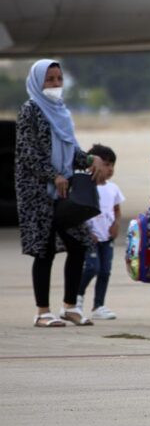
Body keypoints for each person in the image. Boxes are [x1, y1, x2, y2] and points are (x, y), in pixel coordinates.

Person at [16, 60, 99, 327]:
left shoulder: (61, 111)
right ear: (37, 83)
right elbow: (29, 153)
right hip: (38, 191)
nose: (55, 84)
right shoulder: (30, 111)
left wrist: (89, 161)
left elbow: (71, 149)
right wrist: (53, 176)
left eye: (58, 79)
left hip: (64, 192)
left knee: (79, 245)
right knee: (45, 250)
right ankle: (42, 312)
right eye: (49, 79)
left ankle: (70, 306)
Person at [77, 144, 124, 320]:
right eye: (105, 164)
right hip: (91, 238)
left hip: (106, 238)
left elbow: (117, 210)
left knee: (105, 271)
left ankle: (99, 305)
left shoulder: (113, 189)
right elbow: (79, 213)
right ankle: (77, 297)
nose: (110, 169)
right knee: (91, 267)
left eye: (112, 165)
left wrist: (116, 225)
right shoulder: (85, 187)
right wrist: (86, 232)